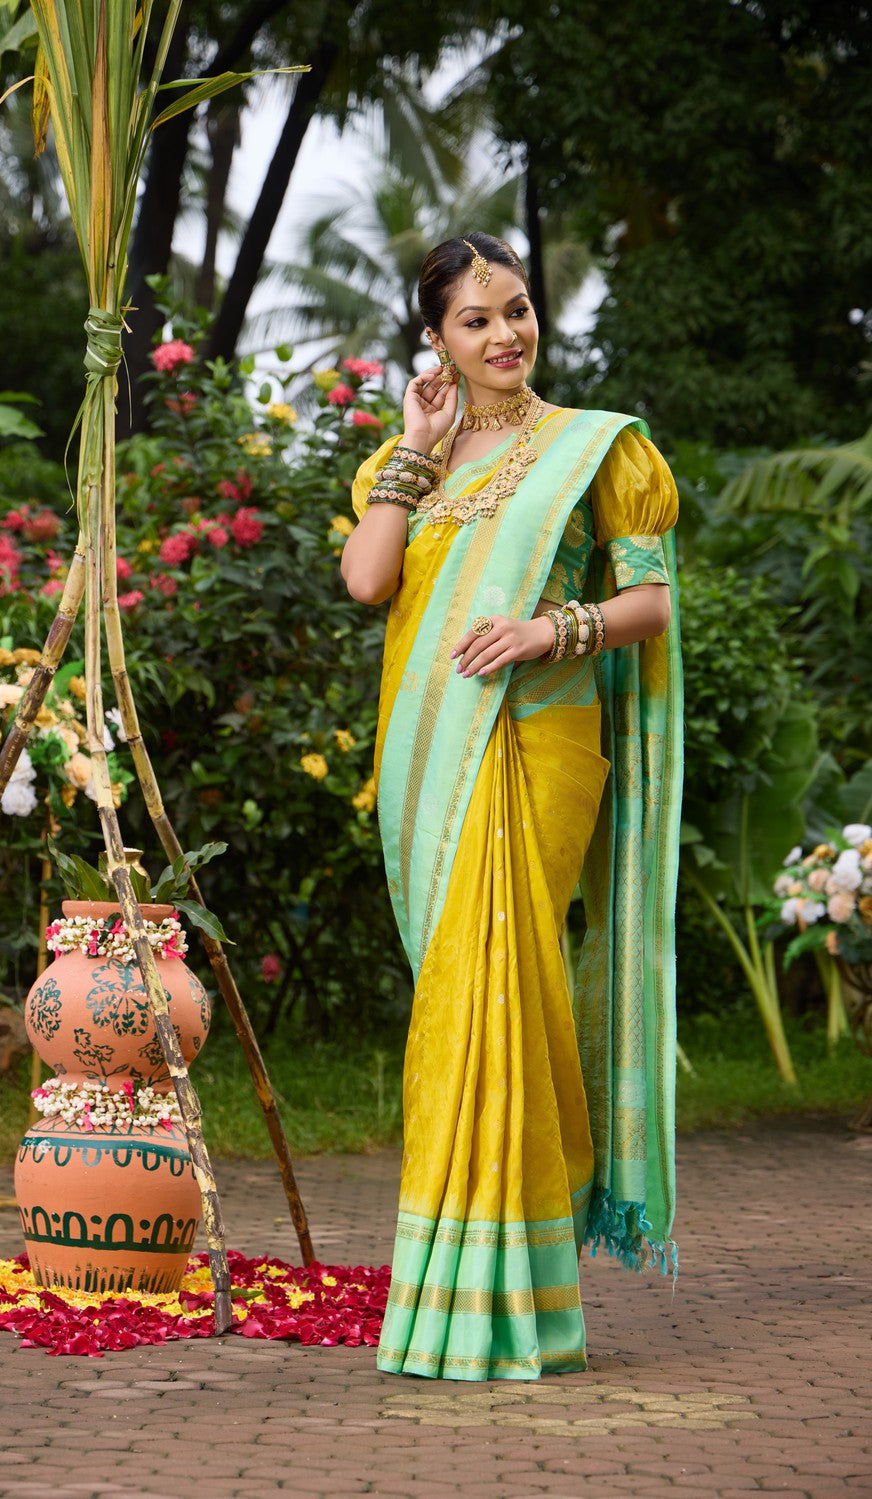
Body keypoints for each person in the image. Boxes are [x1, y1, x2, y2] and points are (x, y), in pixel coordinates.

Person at [340, 232, 682, 1382]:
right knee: (456, 996)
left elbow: (650, 603)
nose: (505, 334)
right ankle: (459, 1290)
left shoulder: (596, 450)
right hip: (432, 754)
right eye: (475, 319)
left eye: (517, 309)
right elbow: (366, 580)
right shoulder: (417, 456)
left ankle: (517, 1305)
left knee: (509, 986)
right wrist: (413, 446)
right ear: (434, 340)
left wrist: (551, 627)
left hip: (542, 740)